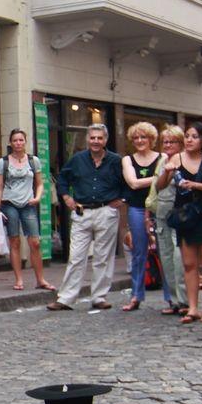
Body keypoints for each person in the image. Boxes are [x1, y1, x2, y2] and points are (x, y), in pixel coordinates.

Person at [47, 124, 126, 312]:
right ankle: (66, 298)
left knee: (103, 257)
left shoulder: (116, 161)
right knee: (76, 257)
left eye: (99, 138)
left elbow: (127, 182)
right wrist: (66, 197)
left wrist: (123, 199)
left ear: (105, 140)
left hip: (106, 211)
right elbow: (63, 179)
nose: (96, 141)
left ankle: (99, 297)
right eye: (92, 138)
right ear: (87, 139)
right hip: (82, 212)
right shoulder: (77, 160)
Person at [157, 122, 202, 323]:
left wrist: (195, 184)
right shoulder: (176, 159)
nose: (189, 140)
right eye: (187, 136)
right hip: (185, 215)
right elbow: (160, 187)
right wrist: (167, 172)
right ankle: (192, 307)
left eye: (194, 136)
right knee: (188, 263)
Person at [0, 128, 54, 292]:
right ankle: (19, 279)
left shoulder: (34, 161)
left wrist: (38, 197)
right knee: (15, 241)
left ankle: (40, 279)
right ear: (10, 143)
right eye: (15, 140)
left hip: (28, 204)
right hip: (9, 203)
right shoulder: (3, 162)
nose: (18, 143)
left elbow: (40, 183)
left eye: (21, 140)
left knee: (35, 242)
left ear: (25, 142)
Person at [120, 122, 162, 312]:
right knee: (138, 252)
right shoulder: (128, 160)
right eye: (136, 138)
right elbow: (133, 184)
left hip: (160, 208)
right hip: (137, 207)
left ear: (152, 139)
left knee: (165, 252)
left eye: (143, 137)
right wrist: (159, 178)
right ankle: (136, 295)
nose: (139, 141)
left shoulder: (162, 157)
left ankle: (172, 297)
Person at [148, 125, 187, 315]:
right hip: (162, 214)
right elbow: (158, 188)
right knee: (166, 257)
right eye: (165, 142)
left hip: (180, 215)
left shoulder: (186, 161)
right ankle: (173, 300)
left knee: (179, 258)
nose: (168, 145)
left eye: (173, 142)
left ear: (181, 144)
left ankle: (185, 300)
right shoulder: (163, 162)